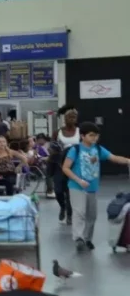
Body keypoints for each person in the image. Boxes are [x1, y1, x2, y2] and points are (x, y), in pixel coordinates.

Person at [63, 122, 130, 251]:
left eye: (96, 135)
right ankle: (78, 238)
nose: (94, 138)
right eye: (91, 135)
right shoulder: (75, 150)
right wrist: (78, 180)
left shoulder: (98, 149)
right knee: (79, 212)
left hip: (92, 187)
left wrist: (127, 160)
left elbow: (114, 158)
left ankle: (87, 239)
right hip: (76, 186)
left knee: (92, 216)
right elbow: (66, 168)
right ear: (82, 136)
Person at [54, 106, 80, 223]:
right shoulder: (58, 132)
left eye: (74, 117)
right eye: (69, 117)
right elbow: (52, 147)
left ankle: (70, 215)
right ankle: (62, 207)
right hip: (60, 165)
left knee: (70, 191)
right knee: (58, 191)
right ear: (65, 118)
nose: (71, 119)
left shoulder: (80, 132)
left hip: (74, 165)